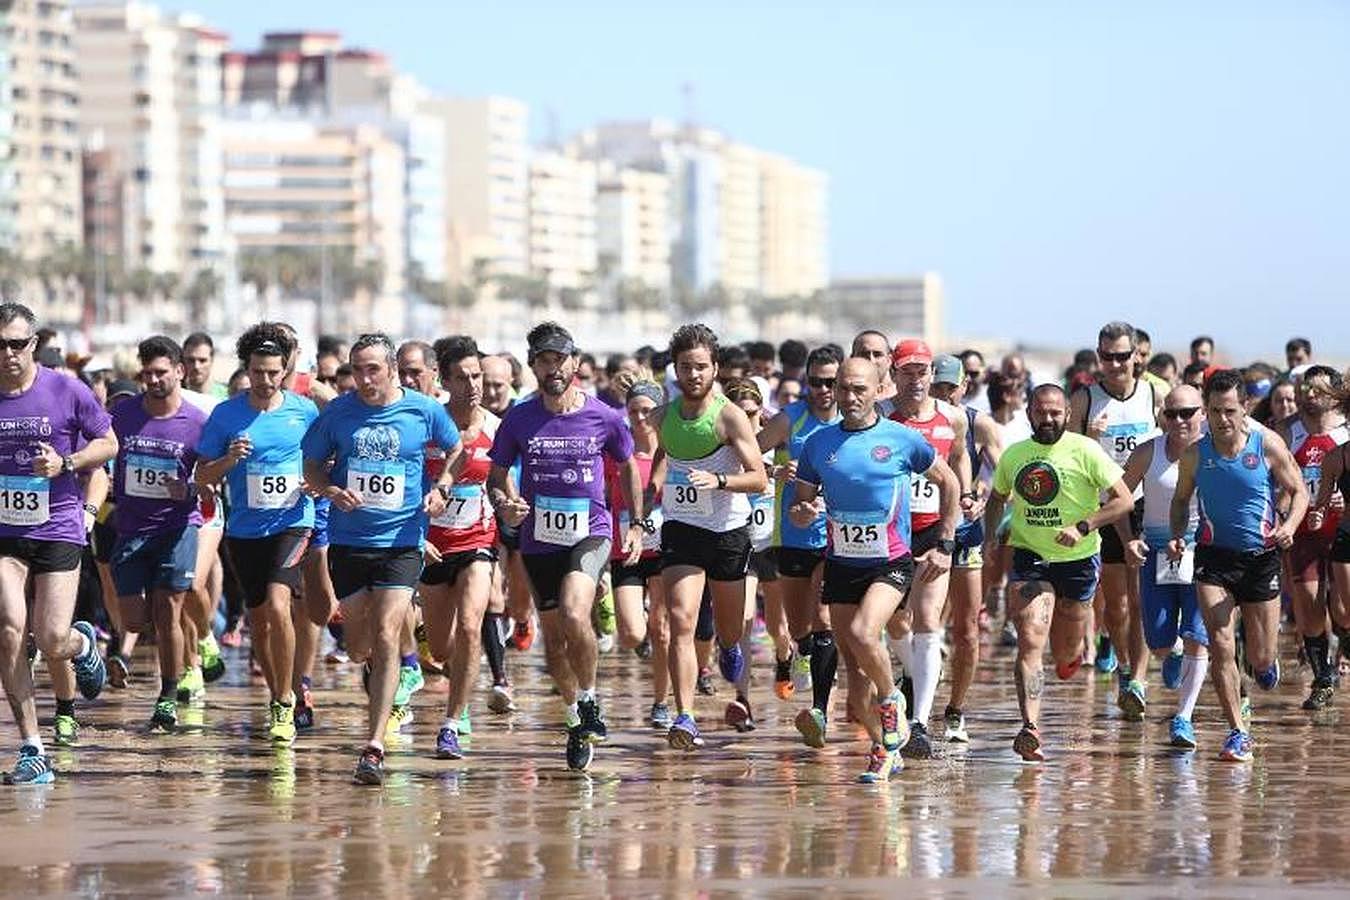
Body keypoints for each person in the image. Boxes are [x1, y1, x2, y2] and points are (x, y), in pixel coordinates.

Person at [301, 332, 462, 785]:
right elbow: (311, 465)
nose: (365, 378)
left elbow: (455, 448)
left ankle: (373, 745)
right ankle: (378, 674)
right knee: (359, 647)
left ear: (392, 369)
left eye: (373, 369)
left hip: (402, 539)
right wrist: (330, 488)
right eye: (357, 370)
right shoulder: (338, 413)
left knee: (390, 629)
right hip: (350, 541)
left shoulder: (423, 410)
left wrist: (442, 487)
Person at [791, 358, 957, 782]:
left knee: (867, 633)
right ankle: (885, 750)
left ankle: (893, 701)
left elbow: (949, 483)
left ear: (879, 388)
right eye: (843, 389)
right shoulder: (818, 443)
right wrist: (805, 512)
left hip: (891, 561)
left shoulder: (902, 440)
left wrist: (946, 540)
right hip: (842, 562)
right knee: (853, 680)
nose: (849, 397)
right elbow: (799, 509)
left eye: (859, 389)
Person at [487, 322, 643, 771]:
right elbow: (497, 477)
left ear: (575, 363)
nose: (553, 368)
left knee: (577, 612)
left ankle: (591, 700)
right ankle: (575, 717)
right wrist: (505, 504)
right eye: (544, 360)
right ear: (533, 365)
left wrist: (633, 524)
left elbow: (628, 467)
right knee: (555, 644)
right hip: (538, 540)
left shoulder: (604, 417)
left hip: (590, 532)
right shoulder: (519, 418)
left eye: (561, 359)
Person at [984, 384, 1135, 762]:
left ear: (1067, 413)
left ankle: (1072, 655)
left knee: (1066, 652)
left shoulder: (1085, 450)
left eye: (1055, 412)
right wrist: (990, 538)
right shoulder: (1016, 455)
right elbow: (998, 496)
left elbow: (1124, 500)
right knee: (1031, 638)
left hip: (1080, 561)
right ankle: (1030, 727)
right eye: (1041, 412)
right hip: (1030, 557)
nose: (1047, 419)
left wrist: (1084, 526)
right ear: (1029, 413)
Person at [0, 303, 115, 784]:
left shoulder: (66, 388)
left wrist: (67, 463)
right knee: (9, 630)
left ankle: (82, 641)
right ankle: (32, 748)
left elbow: (108, 444)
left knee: (50, 639)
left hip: (58, 527)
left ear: (33, 346)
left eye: (16, 344)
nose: (7, 354)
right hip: (5, 532)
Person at [1168, 368, 1307, 761]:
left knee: (1261, 658)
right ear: (1206, 412)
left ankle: (1265, 663)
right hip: (1214, 559)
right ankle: (1237, 732)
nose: (1222, 419)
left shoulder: (1267, 444)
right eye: (1214, 411)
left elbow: (1297, 492)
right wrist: (1179, 534)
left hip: (1261, 558)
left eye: (1230, 410)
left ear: (1244, 408)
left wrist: (1290, 526)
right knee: (1221, 644)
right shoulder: (1196, 453)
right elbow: (1181, 500)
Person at [196, 323, 319, 744]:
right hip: (246, 530)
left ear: (285, 371)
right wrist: (229, 459)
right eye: (258, 372)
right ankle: (276, 694)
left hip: (293, 522)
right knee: (261, 621)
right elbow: (201, 475)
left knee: (280, 604)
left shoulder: (304, 411)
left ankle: (286, 700)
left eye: (273, 372)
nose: (265, 381)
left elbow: (325, 460)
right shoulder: (226, 415)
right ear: (246, 369)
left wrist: (314, 482)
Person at [653, 324, 768, 750]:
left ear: (715, 368)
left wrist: (718, 480)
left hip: (726, 531)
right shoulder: (663, 416)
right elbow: (649, 459)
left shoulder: (728, 416)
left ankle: (731, 647)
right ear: (676, 371)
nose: (694, 374)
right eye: (686, 367)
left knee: (728, 629)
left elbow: (758, 478)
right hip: (681, 527)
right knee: (680, 620)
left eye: (702, 366)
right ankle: (684, 717)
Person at [109, 336, 208, 734]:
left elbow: (211, 472)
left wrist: (194, 487)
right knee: (134, 621)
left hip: (177, 527)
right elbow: (100, 449)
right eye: (146, 373)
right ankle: (185, 649)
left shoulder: (198, 422)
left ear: (179, 371)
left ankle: (167, 696)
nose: (153, 380)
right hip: (131, 529)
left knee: (169, 610)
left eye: (161, 372)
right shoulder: (122, 415)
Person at [1068, 321, 1162, 715]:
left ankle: (1139, 680)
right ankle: (1124, 665)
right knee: (1117, 605)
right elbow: (1069, 454)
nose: (1115, 365)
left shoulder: (1153, 393)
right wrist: (1089, 436)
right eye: (1106, 357)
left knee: (1141, 599)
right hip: (1105, 506)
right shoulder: (1085, 399)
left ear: (1137, 356)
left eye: (1122, 356)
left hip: (1143, 502)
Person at [886, 339, 971, 757]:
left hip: (933, 529)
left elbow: (957, 465)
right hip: (891, 532)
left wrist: (951, 531)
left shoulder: (952, 418)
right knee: (893, 623)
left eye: (922, 371)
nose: (916, 379)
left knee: (927, 619)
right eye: (908, 371)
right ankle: (915, 672)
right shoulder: (883, 416)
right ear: (894, 374)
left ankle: (919, 722)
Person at [418, 336, 501, 759]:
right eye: (463, 377)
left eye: (477, 376)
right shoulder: (428, 422)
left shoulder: (495, 427)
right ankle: (443, 662)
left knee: (472, 625)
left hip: (478, 540)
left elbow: (503, 481)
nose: (473, 385)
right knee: (442, 645)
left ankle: (453, 719)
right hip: (432, 545)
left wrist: (511, 502)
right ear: (444, 380)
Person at [756, 345, 842, 746]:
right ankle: (800, 654)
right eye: (815, 382)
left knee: (824, 620)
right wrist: (773, 470)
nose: (823, 389)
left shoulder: (853, 422)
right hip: (790, 536)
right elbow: (743, 454)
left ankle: (820, 711)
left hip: (836, 538)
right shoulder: (791, 419)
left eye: (831, 382)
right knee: (800, 628)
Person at [1116, 385, 1209, 748]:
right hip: (1156, 555)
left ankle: (1183, 718)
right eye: (1172, 414)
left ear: (1202, 413)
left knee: (1198, 637)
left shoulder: (1213, 453)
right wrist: (1129, 539)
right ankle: (1170, 653)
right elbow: (1117, 498)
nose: (1180, 421)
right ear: (1162, 417)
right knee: (1158, 639)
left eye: (1188, 412)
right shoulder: (1147, 453)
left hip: (1203, 555)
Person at [929, 353, 1003, 743]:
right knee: (912, 624)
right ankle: (913, 695)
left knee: (968, 631)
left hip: (965, 532)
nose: (943, 395)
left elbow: (1005, 472)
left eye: (949, 388)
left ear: (964, 387)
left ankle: (956, 709)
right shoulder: (913, 422)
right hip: (922, 531)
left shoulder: (979, 423)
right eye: (936, 387)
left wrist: (983, 492)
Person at [1274, 366, 1348, 709]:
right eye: (1306, 389)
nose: (1309, 395)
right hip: (1304, 533)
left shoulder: (1346, 434)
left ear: (1335, 395)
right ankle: (1322, 679)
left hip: (1343, 532)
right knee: (1308, 609)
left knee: (1344, 610)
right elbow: (1277, 483)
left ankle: (1343, 649)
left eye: (1318, 390)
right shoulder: (1289, 433)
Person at [607, 380, 672, 727]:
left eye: (648, 411)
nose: (641, 417)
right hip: (626, 549)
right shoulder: (619, 452)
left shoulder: (672, 450)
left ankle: (661, 702)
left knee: (662, 629)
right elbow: (600, 495)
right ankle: (643, 642)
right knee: (632, 633)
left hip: (664, 550)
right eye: (634, 411)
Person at [182, 333, 229, 400]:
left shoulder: (227, 396)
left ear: (211, 360)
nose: (196, 366)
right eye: (191, 360)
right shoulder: (176, 397)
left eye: (202, 360)